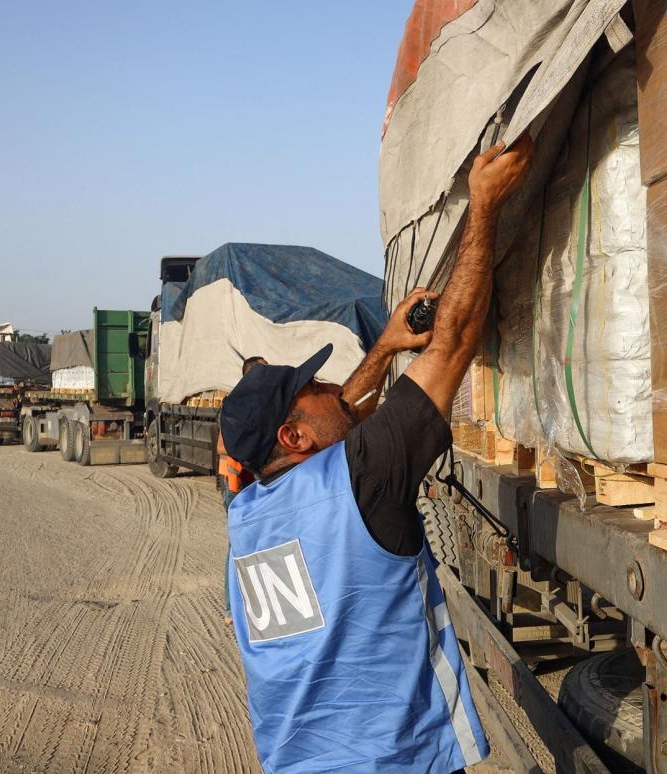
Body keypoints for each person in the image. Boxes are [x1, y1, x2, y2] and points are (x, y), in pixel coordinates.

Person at [219, 136, 533, 773]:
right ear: (291, 438)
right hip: (390, 759)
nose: (337, 388)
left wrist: (386, 347)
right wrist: (485, 206)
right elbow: (453, 346)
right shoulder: (358, 482)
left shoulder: (246, 512)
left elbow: (341, 423)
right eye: (318, 387)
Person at [217, 355, 268, 625]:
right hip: (237, 485)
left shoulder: (259, 402)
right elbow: (223, 446)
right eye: (264, 370)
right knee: (236, 545)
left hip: (252, 482)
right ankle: (230, 609)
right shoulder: (234, 403)